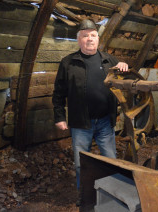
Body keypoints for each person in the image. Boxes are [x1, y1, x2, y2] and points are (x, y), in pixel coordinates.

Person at [52, 19, 128, 205]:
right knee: (81, 163)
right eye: (85, 36)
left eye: (93, 35)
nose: (89, 39)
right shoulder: (68, 62)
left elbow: (124, 81)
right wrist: (60, 117)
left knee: (110, 159)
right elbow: (58, 93)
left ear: (98, 39)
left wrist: (124, 66)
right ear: (79, 40)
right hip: (80, 123)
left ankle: (112, 195)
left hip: (104, 121)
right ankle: (85, 197)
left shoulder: (109, 60)